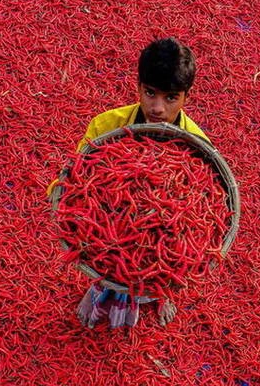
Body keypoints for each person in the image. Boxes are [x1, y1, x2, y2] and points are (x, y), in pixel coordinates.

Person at [49, 37, 211, 328]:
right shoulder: (107, 126)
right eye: (150, 93)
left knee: (173, 253)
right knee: (111, 254)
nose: (158, 108)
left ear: (187, 96)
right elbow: (73, 181)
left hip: (166, 243)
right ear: (137, 87)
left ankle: (163, 293)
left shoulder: (198, 147)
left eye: (171, 97)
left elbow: (208, 213)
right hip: (111, 236)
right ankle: (115, 290)